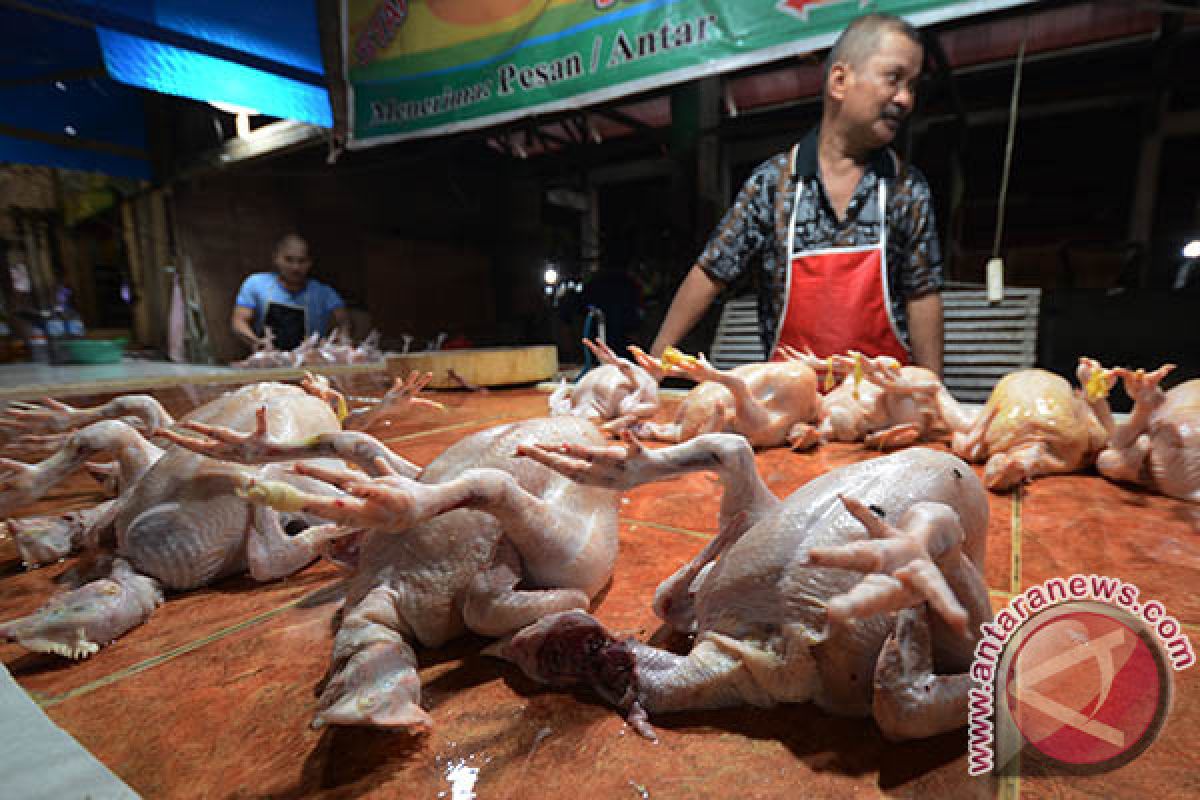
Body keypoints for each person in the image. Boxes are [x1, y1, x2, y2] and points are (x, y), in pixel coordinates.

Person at [649, 13, 944, 375]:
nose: (905, 99)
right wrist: (654, 362)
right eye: (894, 79)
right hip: (791, 407)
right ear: (839, 81)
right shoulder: (773, 184)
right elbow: (711, 272)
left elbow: (922, 293)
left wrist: (933, 391)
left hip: (882, 410)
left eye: (913, 86)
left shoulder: (906, 188)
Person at [231, 233, 349, 352]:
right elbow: (239, 321)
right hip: (268, 360)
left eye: (301, 261)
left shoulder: (325, 293)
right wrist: (255, 343)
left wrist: (340, 342)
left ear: (310, 263)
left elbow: (343, 323)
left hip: (310, 362)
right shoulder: (256, 284)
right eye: (288, 260)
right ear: (276, 258)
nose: (295, 267)